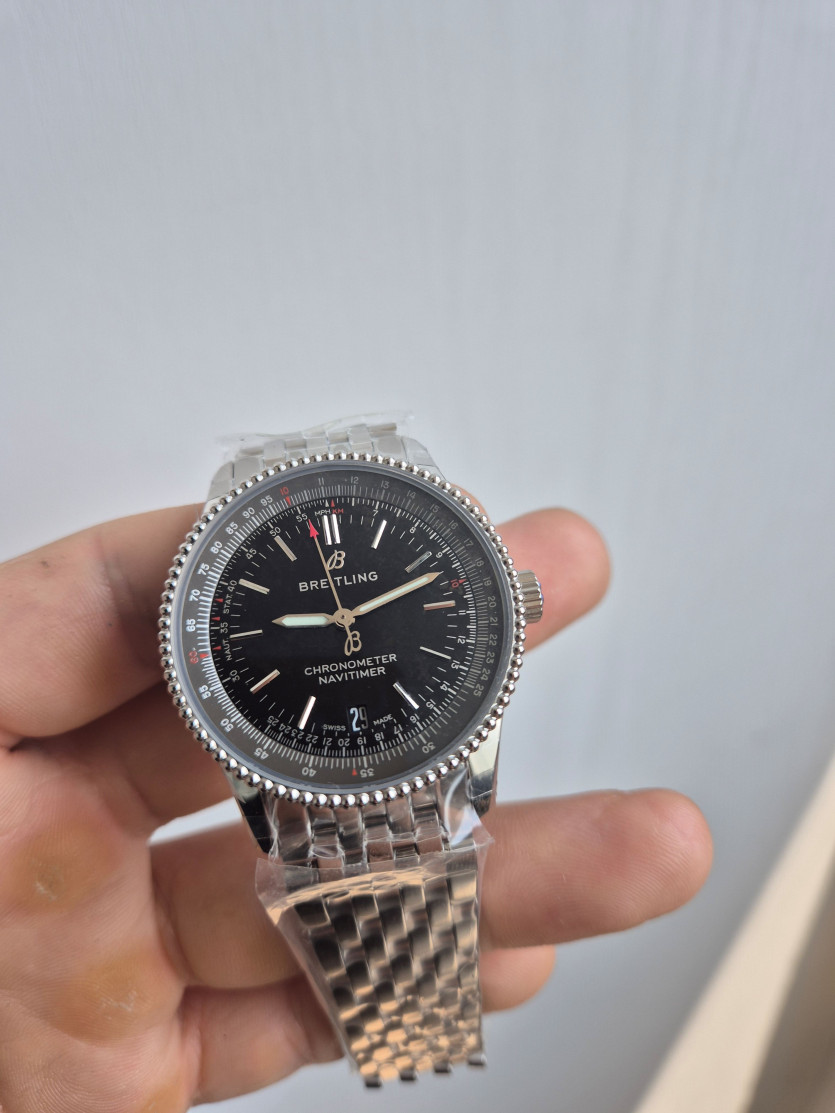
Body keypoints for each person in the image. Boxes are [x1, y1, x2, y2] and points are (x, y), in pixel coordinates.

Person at [0, 502, 712, 1112]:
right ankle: (404, 1030)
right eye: (334, 613)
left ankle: (413, 1028)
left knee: (468, 965)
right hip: (294, 774)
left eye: (352, 612)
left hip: (405, 755)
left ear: (511, 600)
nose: (344, 617)